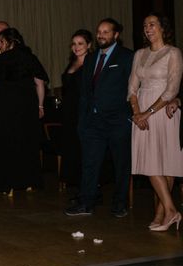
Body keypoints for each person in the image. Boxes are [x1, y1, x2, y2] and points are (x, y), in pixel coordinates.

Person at [64, 18, 134, 217]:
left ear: (116, 35)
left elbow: (134, 88)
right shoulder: (92, 57)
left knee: (121, 163)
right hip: (92, 123)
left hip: (117, 120)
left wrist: (129, 116)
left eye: (106, 31)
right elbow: (86, 91)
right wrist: (83, 121)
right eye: (99, 31)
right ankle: (87, 202)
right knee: (90, 162)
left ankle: (120, 203)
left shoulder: (127, 57)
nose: (101, 35)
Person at [128, 12, 183, 231]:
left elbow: (172, 89)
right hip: (141, 110)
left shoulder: (173, 53)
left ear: (163, 28)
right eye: (145, 25)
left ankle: (163, 212)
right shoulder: (139, 54)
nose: (148, 29)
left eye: (152, 24)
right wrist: (136, 111)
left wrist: (148, 112)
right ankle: (171, 210)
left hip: (163, 111)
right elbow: (132, 87)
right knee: (150, 163)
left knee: (165, 163)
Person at [0, 28, 48, 194]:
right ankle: (29, 181)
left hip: (5, 106)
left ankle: (7, 184)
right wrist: (40, 106)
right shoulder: (31, 58)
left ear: (9, 42)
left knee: (5, 142)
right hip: (27, 106)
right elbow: (40, 84)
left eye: (1, 42)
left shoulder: (0, 60)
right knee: (26, 142)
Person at [61, 29, 93, 189]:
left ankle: (88, 187)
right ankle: (77, 186)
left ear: (89, 45)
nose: (76, 47)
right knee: (72, 148)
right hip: (69, 112)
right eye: (74, 44)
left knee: (84, 150)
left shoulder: (92, 63)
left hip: (84, 112)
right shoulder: (72, 63)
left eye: (80, 43)